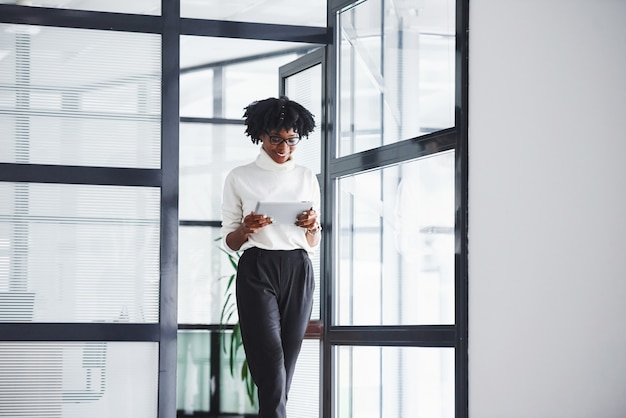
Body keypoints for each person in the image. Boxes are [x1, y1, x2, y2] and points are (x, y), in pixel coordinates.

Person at [221, 96, 321, 418]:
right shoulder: (239, 176)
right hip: (257, 269)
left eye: (291, 141)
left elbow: (312, 240)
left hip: (298, 269)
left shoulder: (307, 176)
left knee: (285, 367)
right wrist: (247, 228)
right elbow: (231, 240)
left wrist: (313, 225)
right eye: (275, 139)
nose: (283, 148)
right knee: (271, 360)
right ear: (260, 135)